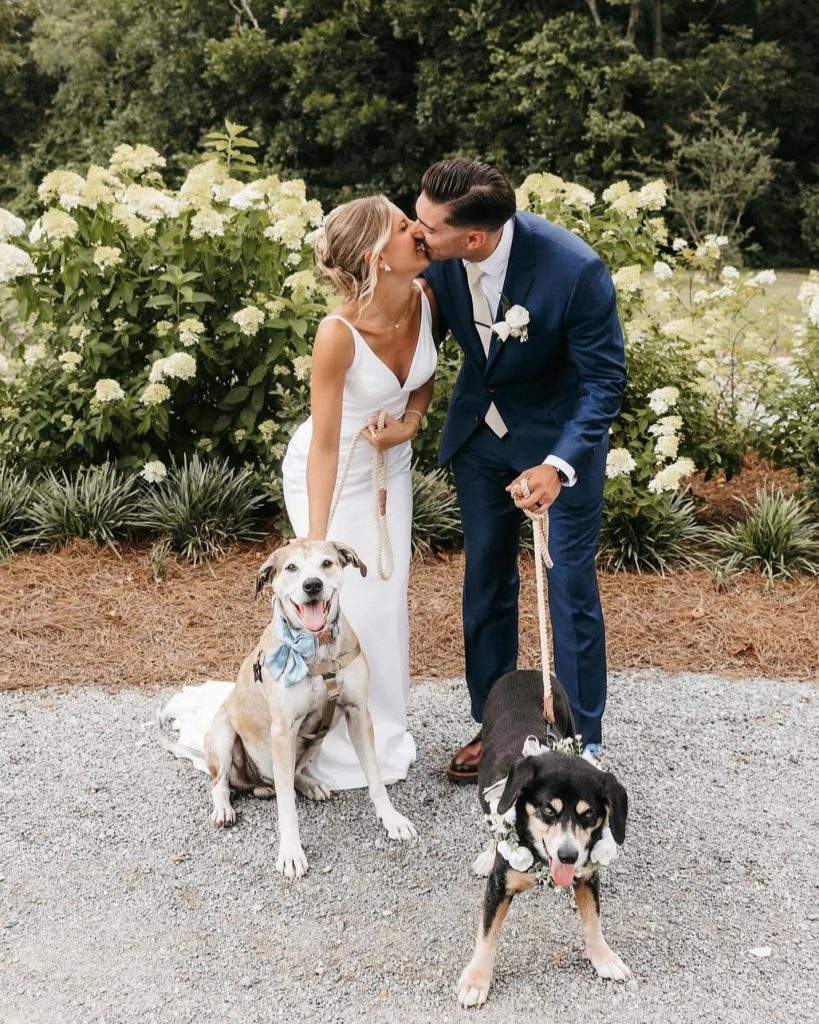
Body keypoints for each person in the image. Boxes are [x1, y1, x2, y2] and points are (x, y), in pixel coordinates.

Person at [413, 158, 626, 780]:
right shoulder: (435, 257)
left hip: (555, 445)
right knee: (485, 581)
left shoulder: (574, 269)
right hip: (480, 436)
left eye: (427, 226)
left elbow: (604, 381)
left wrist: (559, 465)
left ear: (472, 239)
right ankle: (496, 724)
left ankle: (584, 741)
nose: (413, 231)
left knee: (568, 588)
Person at [282, 194, 438, 789]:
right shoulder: (337, 335)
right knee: (344, 605)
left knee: (385, 596)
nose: (417, 229)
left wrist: (409, 424)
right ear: (377, 257)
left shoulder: (426, 298)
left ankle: (385, 737)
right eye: (403, 226)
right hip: (332, 473)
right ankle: (329, 746)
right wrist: (314, 539)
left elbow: (421, 382)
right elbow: (323, 444)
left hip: (388, 468)